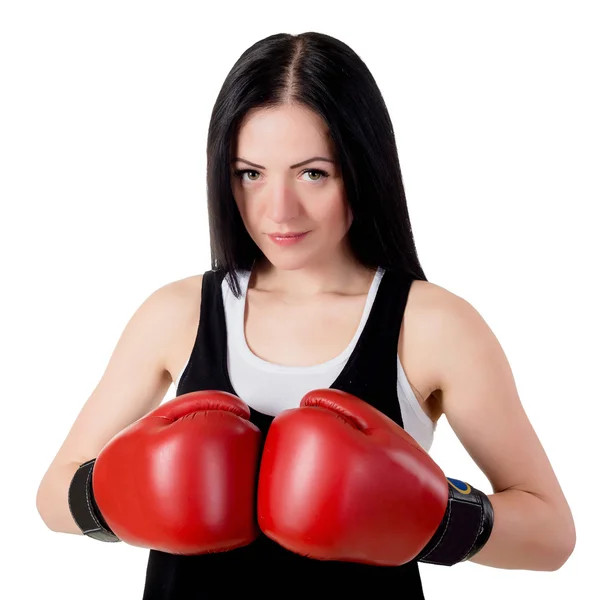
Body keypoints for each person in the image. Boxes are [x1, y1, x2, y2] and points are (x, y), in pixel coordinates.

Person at [36, 31, 576, 598]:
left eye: (312, 172)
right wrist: (126, 492)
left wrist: (434, 514)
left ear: (361, 168)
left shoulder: (432, 326)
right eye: (251, 173)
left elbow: (552, 535)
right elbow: (54, 498)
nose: (279, 209)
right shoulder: (178, 314)